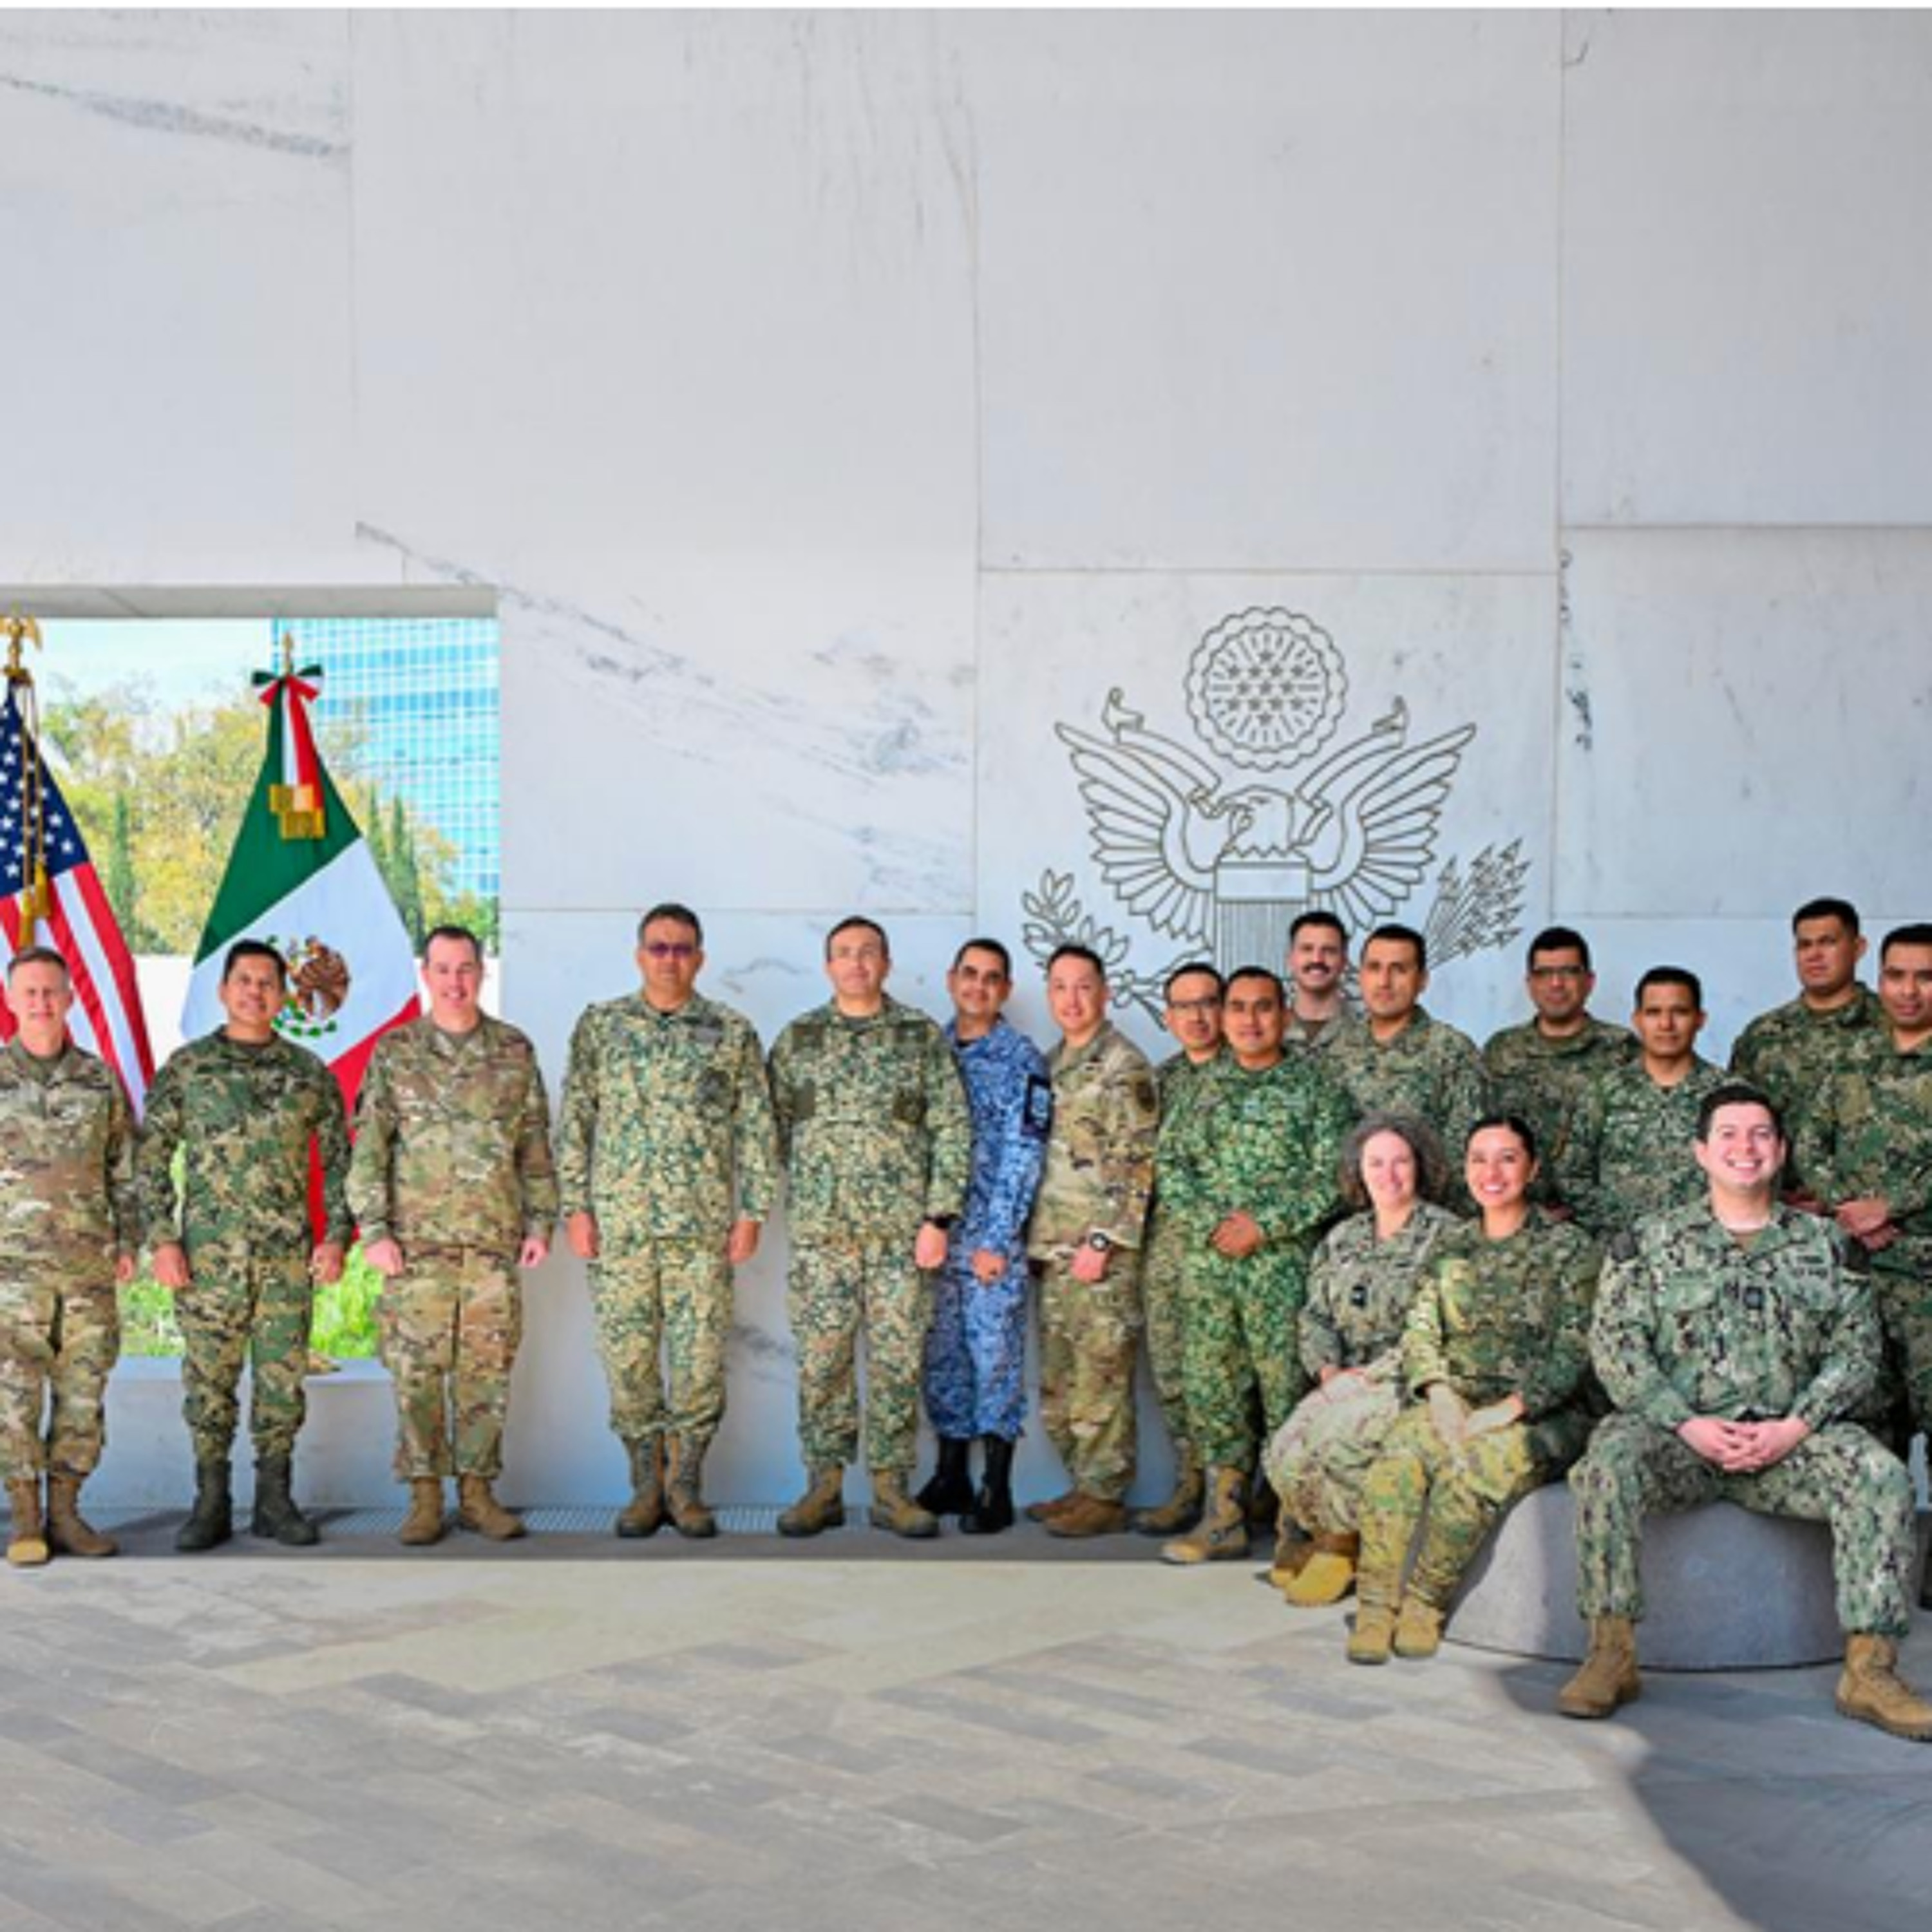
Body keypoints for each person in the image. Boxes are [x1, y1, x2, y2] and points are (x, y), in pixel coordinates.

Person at [1562, 1084, 1931, 1742]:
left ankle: (1870, 1671)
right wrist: (1685, 1422)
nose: (1745, 1148)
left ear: (1782, 1151)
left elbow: (1856, 1352)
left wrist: (1796, 1426)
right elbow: (1617, 1350)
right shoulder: (1647, 1243)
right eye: (1729, 1134)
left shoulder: (1825, 1245)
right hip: (1679, 1440)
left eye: (1761, 1134)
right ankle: (1611, 1652)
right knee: (1607, 1465)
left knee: (1879, 1477)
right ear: (1700, 1151)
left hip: (1788, 1442)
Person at [558, 903, 778, 1539]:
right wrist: (577, 1207)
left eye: (682, 949)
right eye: (659, 948)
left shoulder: (731, 1032)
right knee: (628, 1362)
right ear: (639, 955)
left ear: (701, 959)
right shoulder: (602, 1027)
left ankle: (686, 1486)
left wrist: (752, 1211)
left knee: (700, 1363)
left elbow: (757, 1129)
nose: (670, 959)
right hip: (621, 1228)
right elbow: (575, 1122)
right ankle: (643, 1485)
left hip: (701, 1229)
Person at [1347, 1115, 1599, 1664]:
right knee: (1397, 1463)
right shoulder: (1451, 1244)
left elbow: (1576, 1349)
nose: (1492, 1172)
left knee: (1472, 1473)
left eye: (1507, 1158)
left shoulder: (1569, 1250)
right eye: (1479, 1159)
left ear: (1531, 1169)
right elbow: (1420, 1327)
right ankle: (1375, 1607)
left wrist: (1511, 1409)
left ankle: (1423, 1604)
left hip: (1543, 1416)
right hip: (1456, 1399)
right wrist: (1437, 1390)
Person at [138, 940, 351, 1550]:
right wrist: (162, 1239)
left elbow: (340, 1163)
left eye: (266, 982)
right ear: (223, 990)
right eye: (244, 980)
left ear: (283, 996)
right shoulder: (189, 1068)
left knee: (282, 1384)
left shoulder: (307, 1073)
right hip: (208, 1261)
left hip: (286, 1260)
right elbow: (150, 1159)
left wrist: (336, 1237)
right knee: (209, 1383)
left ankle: (275, 1501)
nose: (255, 992)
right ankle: (210, 1501)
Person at [348, 927, 557, 1546]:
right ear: (426, 974)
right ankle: (423, 1496)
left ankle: (477, 1494)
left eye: (465, 968)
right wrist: (375, 1230)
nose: (454, 981)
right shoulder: (397, 1053)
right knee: (416, 1376)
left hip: (491, 1247)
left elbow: (535, 1146)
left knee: (485, 1377)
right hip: (416, 1250)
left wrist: (541, 1221)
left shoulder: (514, 1051)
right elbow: (370, 1149)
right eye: (443, 969)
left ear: (480, 974)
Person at [767, 917, 969, 1538]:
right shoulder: (798, 1039)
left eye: (867, 954)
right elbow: (772, 1133)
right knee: (821, 1365)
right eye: (844, 954)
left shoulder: (918, 1037)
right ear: (828, 966)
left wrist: (938, 1217)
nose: (856, 964)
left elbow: (953, 1128)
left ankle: (889, 1489)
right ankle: (823, 1486)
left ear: (886, 963)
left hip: (900, 1241)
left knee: (896, 1365)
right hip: (822, 1240)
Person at [1158, 967, 1354, 1566]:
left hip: (1280, 1267)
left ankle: (1298, 1524)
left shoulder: (1317, 1088)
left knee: (1284, 1392)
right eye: (1237, 1007)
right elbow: (1170, 1166)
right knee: (1213, 1388)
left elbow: (1334, 1176)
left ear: (1286, 1015)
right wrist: (1214, 1226)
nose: (1249, 1020)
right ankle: (1224, 1517)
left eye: (1263, 1007)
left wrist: (1263, 1224)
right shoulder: (1196, 1087)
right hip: (1210, 1266)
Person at [1266, 1114, 1457, 1608]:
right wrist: (1329, 1372)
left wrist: (1367, 1381)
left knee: (1339, 1438)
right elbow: (1315, 1316)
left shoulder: (1448, 1236)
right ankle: (1311, 1532)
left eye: (1400, 1162)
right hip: (1345, 1375)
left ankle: (1343, 1545)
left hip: (1403, 1380)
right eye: (1376, 1163)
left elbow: (1441, 1328)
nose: (1388, 1174)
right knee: (1283, 1445)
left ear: (1421, 1167)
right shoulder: (1343, 1237)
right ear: (1358, 1170)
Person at [0, 948, 137, 1567]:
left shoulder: (98, 1080)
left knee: (83, 1397)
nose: (40, 1003)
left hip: (87, 1273)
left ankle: (68, 1513)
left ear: (69, 997)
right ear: (10, 999)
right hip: (12, 1275)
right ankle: (26, 1519)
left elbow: (125, 1169)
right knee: (14, 1398)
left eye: (51, 991)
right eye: (29, 992)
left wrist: (131, 1239)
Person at [1025, 945, 1159, 1538]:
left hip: (1098, 1252)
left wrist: (1103, 1240)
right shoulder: (1053, 1062)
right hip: (1054, 1250)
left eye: (1084, 987)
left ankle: (1105, 1494)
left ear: (1105, 994)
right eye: (1060, 988)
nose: (1072, 1000)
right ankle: (1082, 1485)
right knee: (1063, 1381)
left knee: (1101, 1376)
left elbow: (1138, 1164)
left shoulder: (1122, 1066)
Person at [916, 938, 1049, 1535]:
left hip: (990, 1240)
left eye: (992, 978)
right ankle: (951, 1475)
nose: (978, 986)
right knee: (944, 1357)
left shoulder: (1022, 1059)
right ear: (951, 979)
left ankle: (996, 1488)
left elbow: (1026, 1154)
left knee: (994, 1358)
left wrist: (998, 1238)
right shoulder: (930, 1050)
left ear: (1006, 990)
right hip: (935, 1237)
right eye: (969, 974)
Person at [1794, 925, 1932, 1499]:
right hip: (1859, 1279)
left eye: (1925, 977)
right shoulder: (1854, 1055)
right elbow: (1808, 1142)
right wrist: (1847, 1210)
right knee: (1866, 1433)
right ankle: (1878, 1574)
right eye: (1896, 976)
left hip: (1926, 1278)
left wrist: (1891, 1206)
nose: (1908, 991)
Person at [1133, 960, 1225, 1537]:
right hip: (1166, 1254)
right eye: (1183, 1006)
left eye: (1207, 1002)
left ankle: (1231, 1491)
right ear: (1167, 1017)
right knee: (1172, 1374)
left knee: (1223, 1379)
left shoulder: (1249, 1076)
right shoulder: (1159, 1083)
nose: (1196, 1016)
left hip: (1225, 1255)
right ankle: (1189, 1483)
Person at [1555, 967, 1723, 1238]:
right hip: (1623, 1254)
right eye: (1653, 1012)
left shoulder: (1729, 1096)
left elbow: (1752, 1174)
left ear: (1700, 1019)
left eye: (1679, 1012)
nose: (1666, 1024)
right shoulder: (1604, 1092)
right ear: (1637, 1020)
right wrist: (1618, 1225)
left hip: (1706, 1253)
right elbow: (1571, 1175)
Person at [1325, 924, 1487, 1189]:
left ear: (1422, 980)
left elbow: (1468, 1153)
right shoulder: (1336, 1051)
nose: (1385, 981)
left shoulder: (1451, 1051)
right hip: (1349, 1218)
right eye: (1374, 968)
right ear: (1361, 976)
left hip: (1427, 1217)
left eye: (1399, 969)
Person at [1482, 927, 1635, 1199]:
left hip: (1600, 1217)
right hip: (1518, 1213)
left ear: (1589, 981)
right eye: (1543, 974)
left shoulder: (1622, 1049)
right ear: (1530, 983)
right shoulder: (1501, 1050)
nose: (1556, 983)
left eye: (1568, 972)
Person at [1730, 896, 1884, 1151]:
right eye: (1804, 945)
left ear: (1858, 948)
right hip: (1781, 1188)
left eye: (1828, 942)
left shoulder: (1892, 1027)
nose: (1814, 955)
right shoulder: (1762, 1036)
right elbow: (1738, 1121)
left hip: (1869, 1189)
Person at [1283, 911, 1358, 1056]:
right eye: (1307, 949)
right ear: (1290, 959)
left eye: (1329, 951)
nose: (1317, 959)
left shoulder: (1368, 1032)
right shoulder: (1269, 1033)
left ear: (1344, 961)